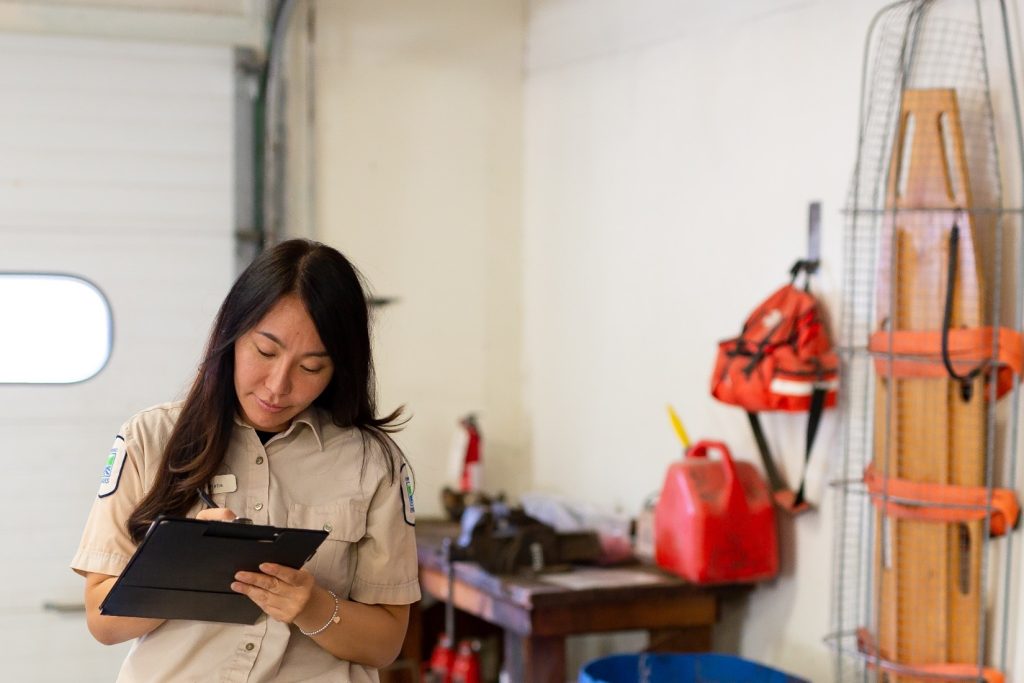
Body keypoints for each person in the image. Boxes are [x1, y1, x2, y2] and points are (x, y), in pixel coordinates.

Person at [71, 239, 420, 682]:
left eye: (311, 367)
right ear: (231, 335)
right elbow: (102, 622)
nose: (278, 386)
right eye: (266, 352)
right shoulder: (149, 438)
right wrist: (183, 568)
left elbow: (386, 643)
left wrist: (313, 607)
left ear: (340, 369)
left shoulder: (375, 464)